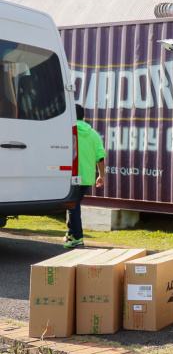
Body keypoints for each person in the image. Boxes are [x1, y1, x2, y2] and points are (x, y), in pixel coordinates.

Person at [65, 104, 106, 248]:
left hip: (71, 175)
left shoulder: (68, 130)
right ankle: (70, 234)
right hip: (87, 177)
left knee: (73, 207)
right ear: (84, 116)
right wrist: (101, 176)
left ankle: (78, 238)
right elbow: (100, 157)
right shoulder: (93, 133)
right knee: (73, 205)